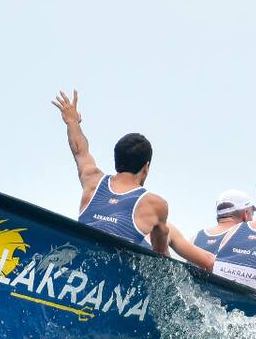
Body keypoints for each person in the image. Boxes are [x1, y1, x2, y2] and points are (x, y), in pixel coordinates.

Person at [53, 90, 169, 253]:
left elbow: (79, 151)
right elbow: (160, 256)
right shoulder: (155, 204)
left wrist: (72, 122)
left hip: (80, 257)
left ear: (116, 159)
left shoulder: (93, 180)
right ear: (146, 167)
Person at [193, 189, 256, 255]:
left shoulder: (195, 238)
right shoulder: (248, 240)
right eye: (252, 214)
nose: (252, 219)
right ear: (245, 214)